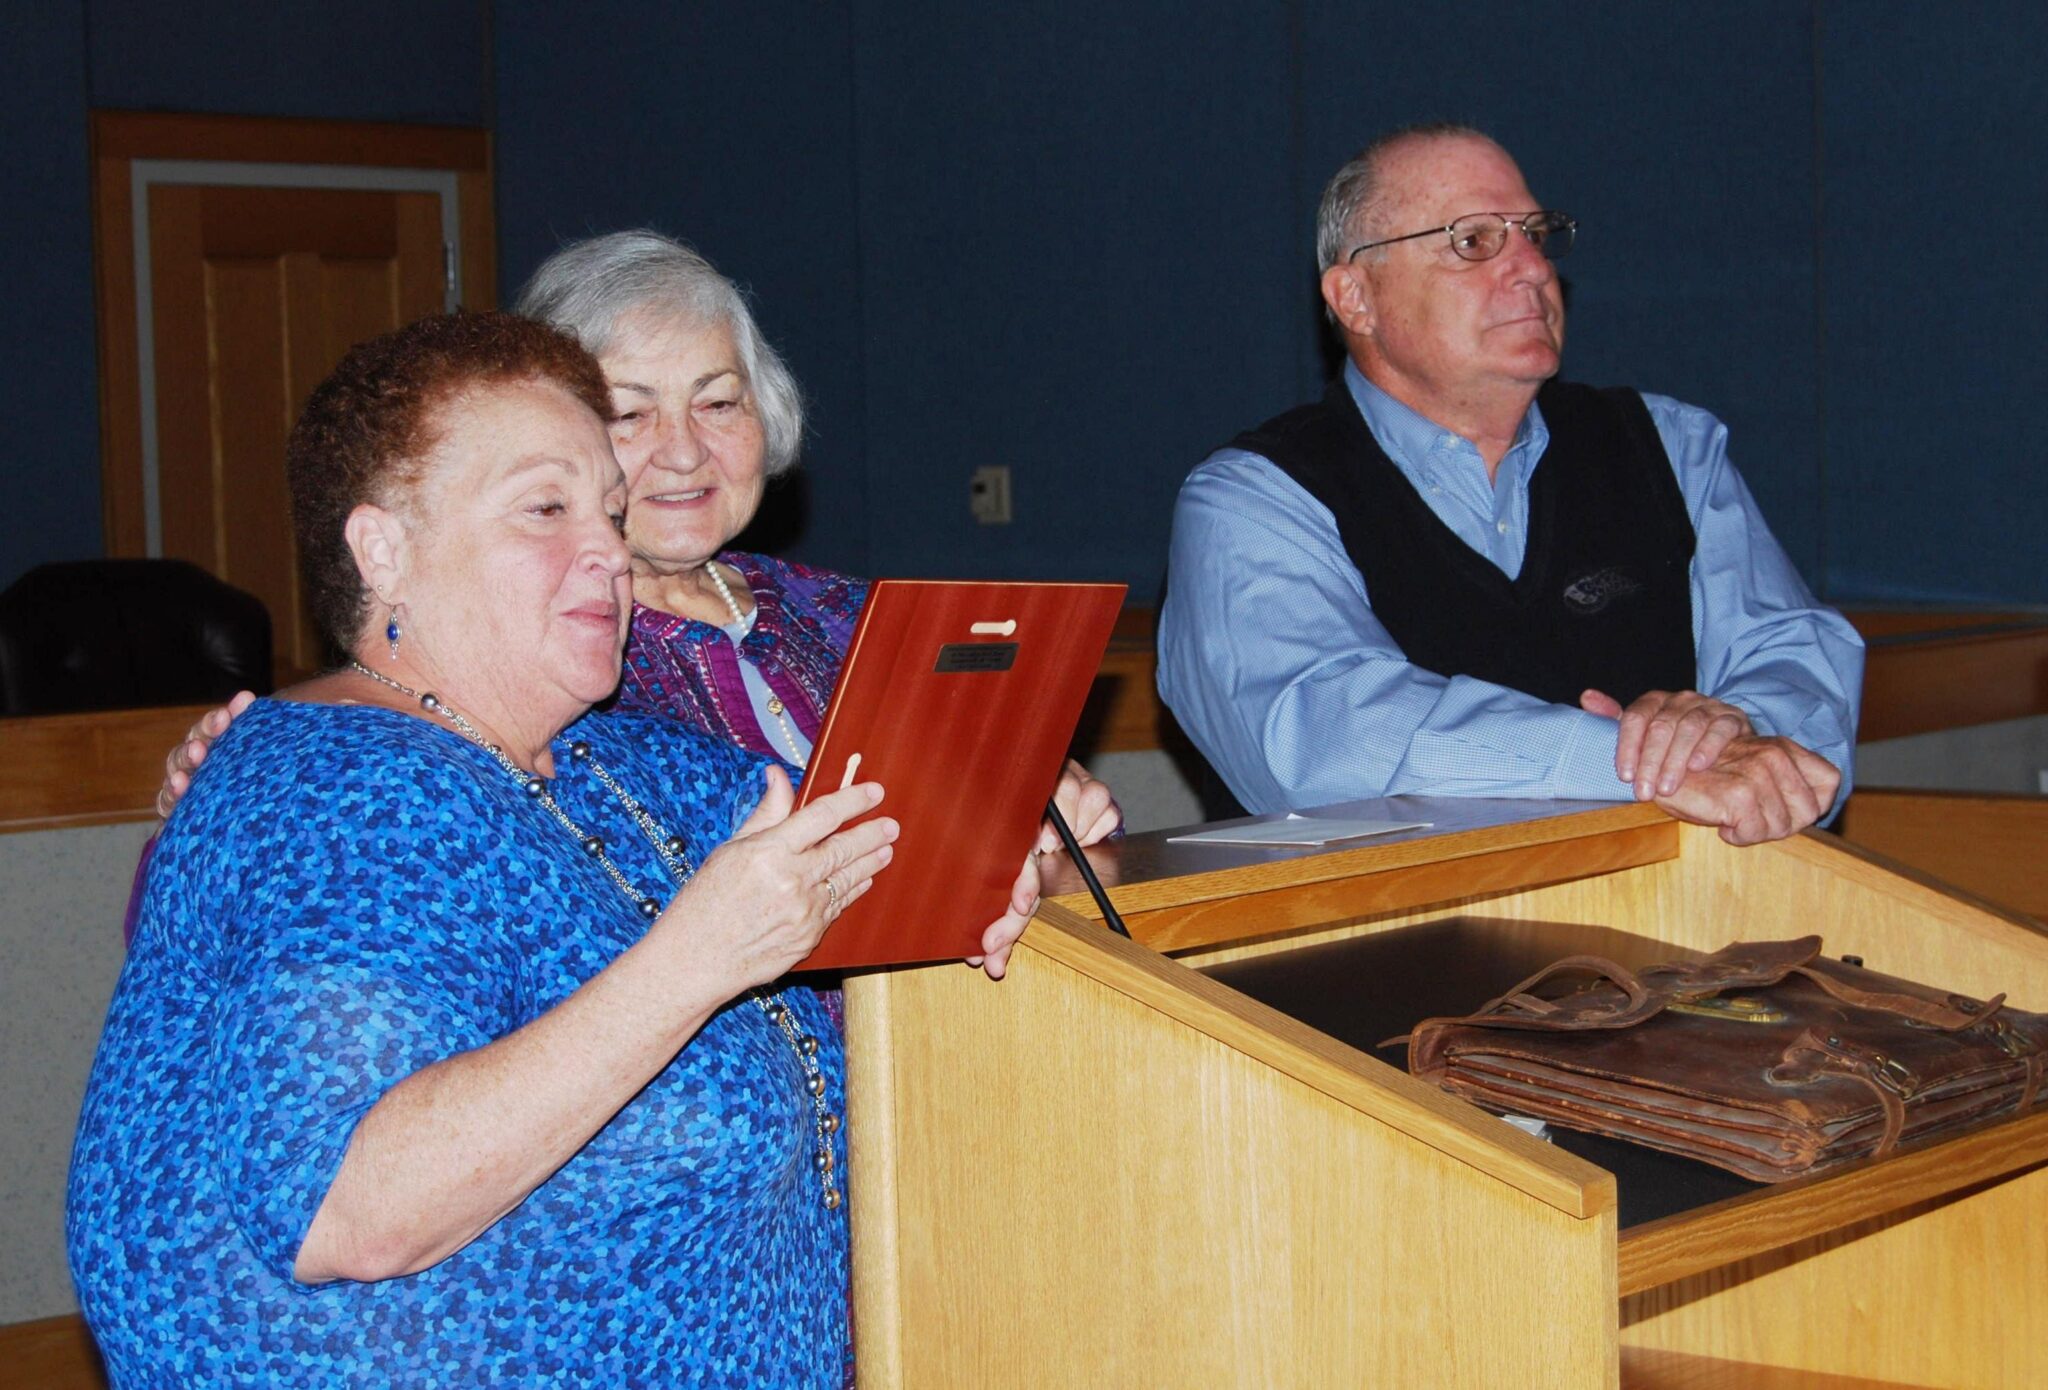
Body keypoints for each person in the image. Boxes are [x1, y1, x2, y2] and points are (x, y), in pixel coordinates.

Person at [69, 312, 1028, 1384]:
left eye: (610, 514)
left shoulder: (615, 765)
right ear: (383, 548)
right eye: (545, 509)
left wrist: (1009, 837)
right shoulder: (327, 789)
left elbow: (884, 842)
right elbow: (348, 1209)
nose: (608, 552)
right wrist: (693, 960)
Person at [152, 231, 1120, 911]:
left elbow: (956, 817)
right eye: (631, 412)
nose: (684, 452)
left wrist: (1031, 798)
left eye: (715, 401)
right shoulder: (555, 659)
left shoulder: (840, 609)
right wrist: (224, 772)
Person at [1157, 124, 1863, 846]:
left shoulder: (1670, 446)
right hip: (1377, 948)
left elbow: (1794, 652)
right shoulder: (1254, 499)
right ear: (1355, 297)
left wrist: (1738, 732)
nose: (1531, 266)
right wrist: (1635, 766)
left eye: (1538, 233)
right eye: (1473, 241)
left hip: (1688, 945)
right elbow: (1320, 736)